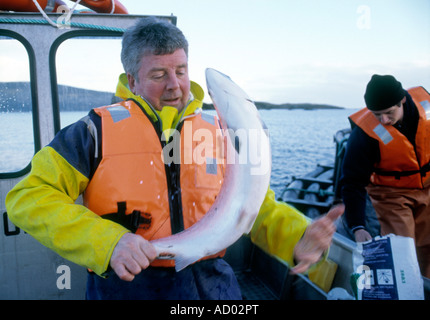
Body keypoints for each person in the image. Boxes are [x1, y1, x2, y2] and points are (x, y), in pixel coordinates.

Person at [6, 17, 342, 299]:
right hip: (127, 285)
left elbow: (253, 204)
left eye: (181, 70)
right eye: (158, 75)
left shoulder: (217, 129)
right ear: (132, 80)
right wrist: (108, 242)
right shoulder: (93, 131)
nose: (175, 86)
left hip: (212, 286)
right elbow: (28, 198)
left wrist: (299, 238)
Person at [340, 74, 430, 278]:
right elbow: (352, 182)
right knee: (401, 250)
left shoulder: (427, 106)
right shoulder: (364, 134)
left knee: (427, 246)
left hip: (427, 186)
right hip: (391, 194)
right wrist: (357, 225)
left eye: (389, 113)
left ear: (403, 101)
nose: (384, 120)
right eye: (377, 114)